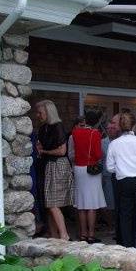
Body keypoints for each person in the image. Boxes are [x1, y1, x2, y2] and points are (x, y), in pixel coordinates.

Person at [106, 112, 136, 248]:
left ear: (120, 126)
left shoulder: (114, 144)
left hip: (123, 182)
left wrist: (121, 169)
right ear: (134, 125)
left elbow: (109, 168)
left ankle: (126, 245)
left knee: (125, 215)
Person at [35, 100, 74, 240]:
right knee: (49, 203)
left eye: (40, 112)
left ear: (48, 112)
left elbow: (62, 150)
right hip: (48, 166)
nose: (38, 115)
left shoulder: (57, 126)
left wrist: (44, 151)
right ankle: (54, 236)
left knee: (53, 203)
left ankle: (64, 235)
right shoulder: (43, 128)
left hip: (58, 166)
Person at [68, 110, 106, 243]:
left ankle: (82, 233)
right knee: (92, 204)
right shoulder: (95, 133)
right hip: (91, 169)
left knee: (81, 203)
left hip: (78, 168)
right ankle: (90, 235)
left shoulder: (75, 132)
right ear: (96, 121)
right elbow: (98, 154)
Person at [100, 114, 120, 238]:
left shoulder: (119, 142)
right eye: (109, 129)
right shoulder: (102, 142)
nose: (111, 130)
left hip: (118, 175)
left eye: (113, 128)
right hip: (106, 176)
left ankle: (117, 225)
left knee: (116, 203)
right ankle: (110, 225)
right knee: (107, 204)